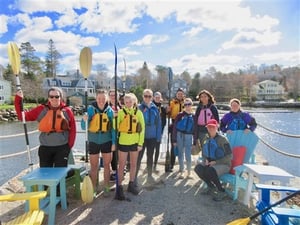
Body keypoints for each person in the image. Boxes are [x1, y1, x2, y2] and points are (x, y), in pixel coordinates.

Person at [14, 87, 76, 169]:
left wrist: (69, 146)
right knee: (45, 174)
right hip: (45, 148)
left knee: (60, 174)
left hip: (62, 147)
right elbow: (22, 117)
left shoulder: (67, 111)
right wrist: (18, 99)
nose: (54, 99)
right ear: (48, 98)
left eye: (57, 96)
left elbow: (73, 130)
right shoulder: (41, 109)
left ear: (60, 97)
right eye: (51, 96)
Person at [81, 89, 116, 196]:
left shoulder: (110, 111)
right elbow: (83, 127)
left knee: (107, 164)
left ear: (107, 99)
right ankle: (94, 188)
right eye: (99, 98)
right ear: (96, 98)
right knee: (94, 166)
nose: (101, 101)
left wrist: (114, 143)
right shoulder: (90, 110)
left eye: (103, 99)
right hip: (93, 141)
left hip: (107, 141)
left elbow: (113, 129)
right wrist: (84, 120)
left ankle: (105, 186)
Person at [115, 93, 145, 200]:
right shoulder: (120, 113)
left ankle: (131, 184)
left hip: (134, 142)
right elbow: (116, 127)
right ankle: (119, 187)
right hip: (123, 141)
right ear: (123, 103)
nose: (127, 104)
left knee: (133, 164)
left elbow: (142, 130)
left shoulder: (139, 113)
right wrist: (115, 118)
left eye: (130, 102)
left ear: (134, 102)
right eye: (126, 102)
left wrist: (140, 143)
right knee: (121, 165)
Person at [194, 119, 232, 201]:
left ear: (217, 127)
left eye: (213, 127)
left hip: (224, 164)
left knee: (209, 171)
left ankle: (221, 191)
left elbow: (230, 156)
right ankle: (211, 187)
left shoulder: (223, 139)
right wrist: (205, 160)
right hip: (210, 163)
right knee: (198, 168)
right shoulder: (206, 138)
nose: (211, 129)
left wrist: (216, 162)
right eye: (209, 127)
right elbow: (204, 153)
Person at [136, 89, 162, 184]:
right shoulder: (139, 108)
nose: (147, 98)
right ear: (143, 96)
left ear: (152, 98)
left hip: (152, 136)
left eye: (149, 96)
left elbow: (158, 124)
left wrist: (158, 137)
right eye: (145, 96)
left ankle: (149, 175)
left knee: (150, 156)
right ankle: (134, 177)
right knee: (139, 157)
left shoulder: (155, 108)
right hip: (141, 137)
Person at [172, 98, 195, 179]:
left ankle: (189, 172)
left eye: (189, 104)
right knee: (180, 153)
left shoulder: (194, 116)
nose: (187, 106)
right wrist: (174, 140)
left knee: (188, 154)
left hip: (189, 136)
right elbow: (174, 128)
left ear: (192, 105)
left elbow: (195, 130)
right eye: (186, 105)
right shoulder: (179, 115)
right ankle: (182, 170)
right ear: (184, 106)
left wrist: (195, 142)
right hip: (180, 135)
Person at [167, 88, 185, 172]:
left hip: (184, 125)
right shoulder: (172, 102)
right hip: (174, 124)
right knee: (173, 145)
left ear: (183, 95)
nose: (180, 95)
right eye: (178, 94)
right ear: (176, 95)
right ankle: (171, 164)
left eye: (181, 94)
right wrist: (167, 110)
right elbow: (168, 113)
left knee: (182, 146)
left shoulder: (186, 103)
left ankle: (182, 165)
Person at [108, 89, 122, 181]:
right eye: (111, 95)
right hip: (109, 132)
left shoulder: (120, 106)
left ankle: (119, 169)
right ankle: (112, 171)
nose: (113, 97)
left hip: (119, 132)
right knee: (111, 152)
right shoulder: (106, 106)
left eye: (115, 95)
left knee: (118, 152)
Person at [153, 91, 167, 173]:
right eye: (156, 97)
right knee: (150, 149)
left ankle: (155, 164)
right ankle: (149, 165)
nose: (157, 98)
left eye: (159, 97)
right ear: (154, 98)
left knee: (157, 148)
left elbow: (164, 119)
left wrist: (162, 129)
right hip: (151, 131)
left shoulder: (162, 108)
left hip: (159, 131)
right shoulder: (151, 106)